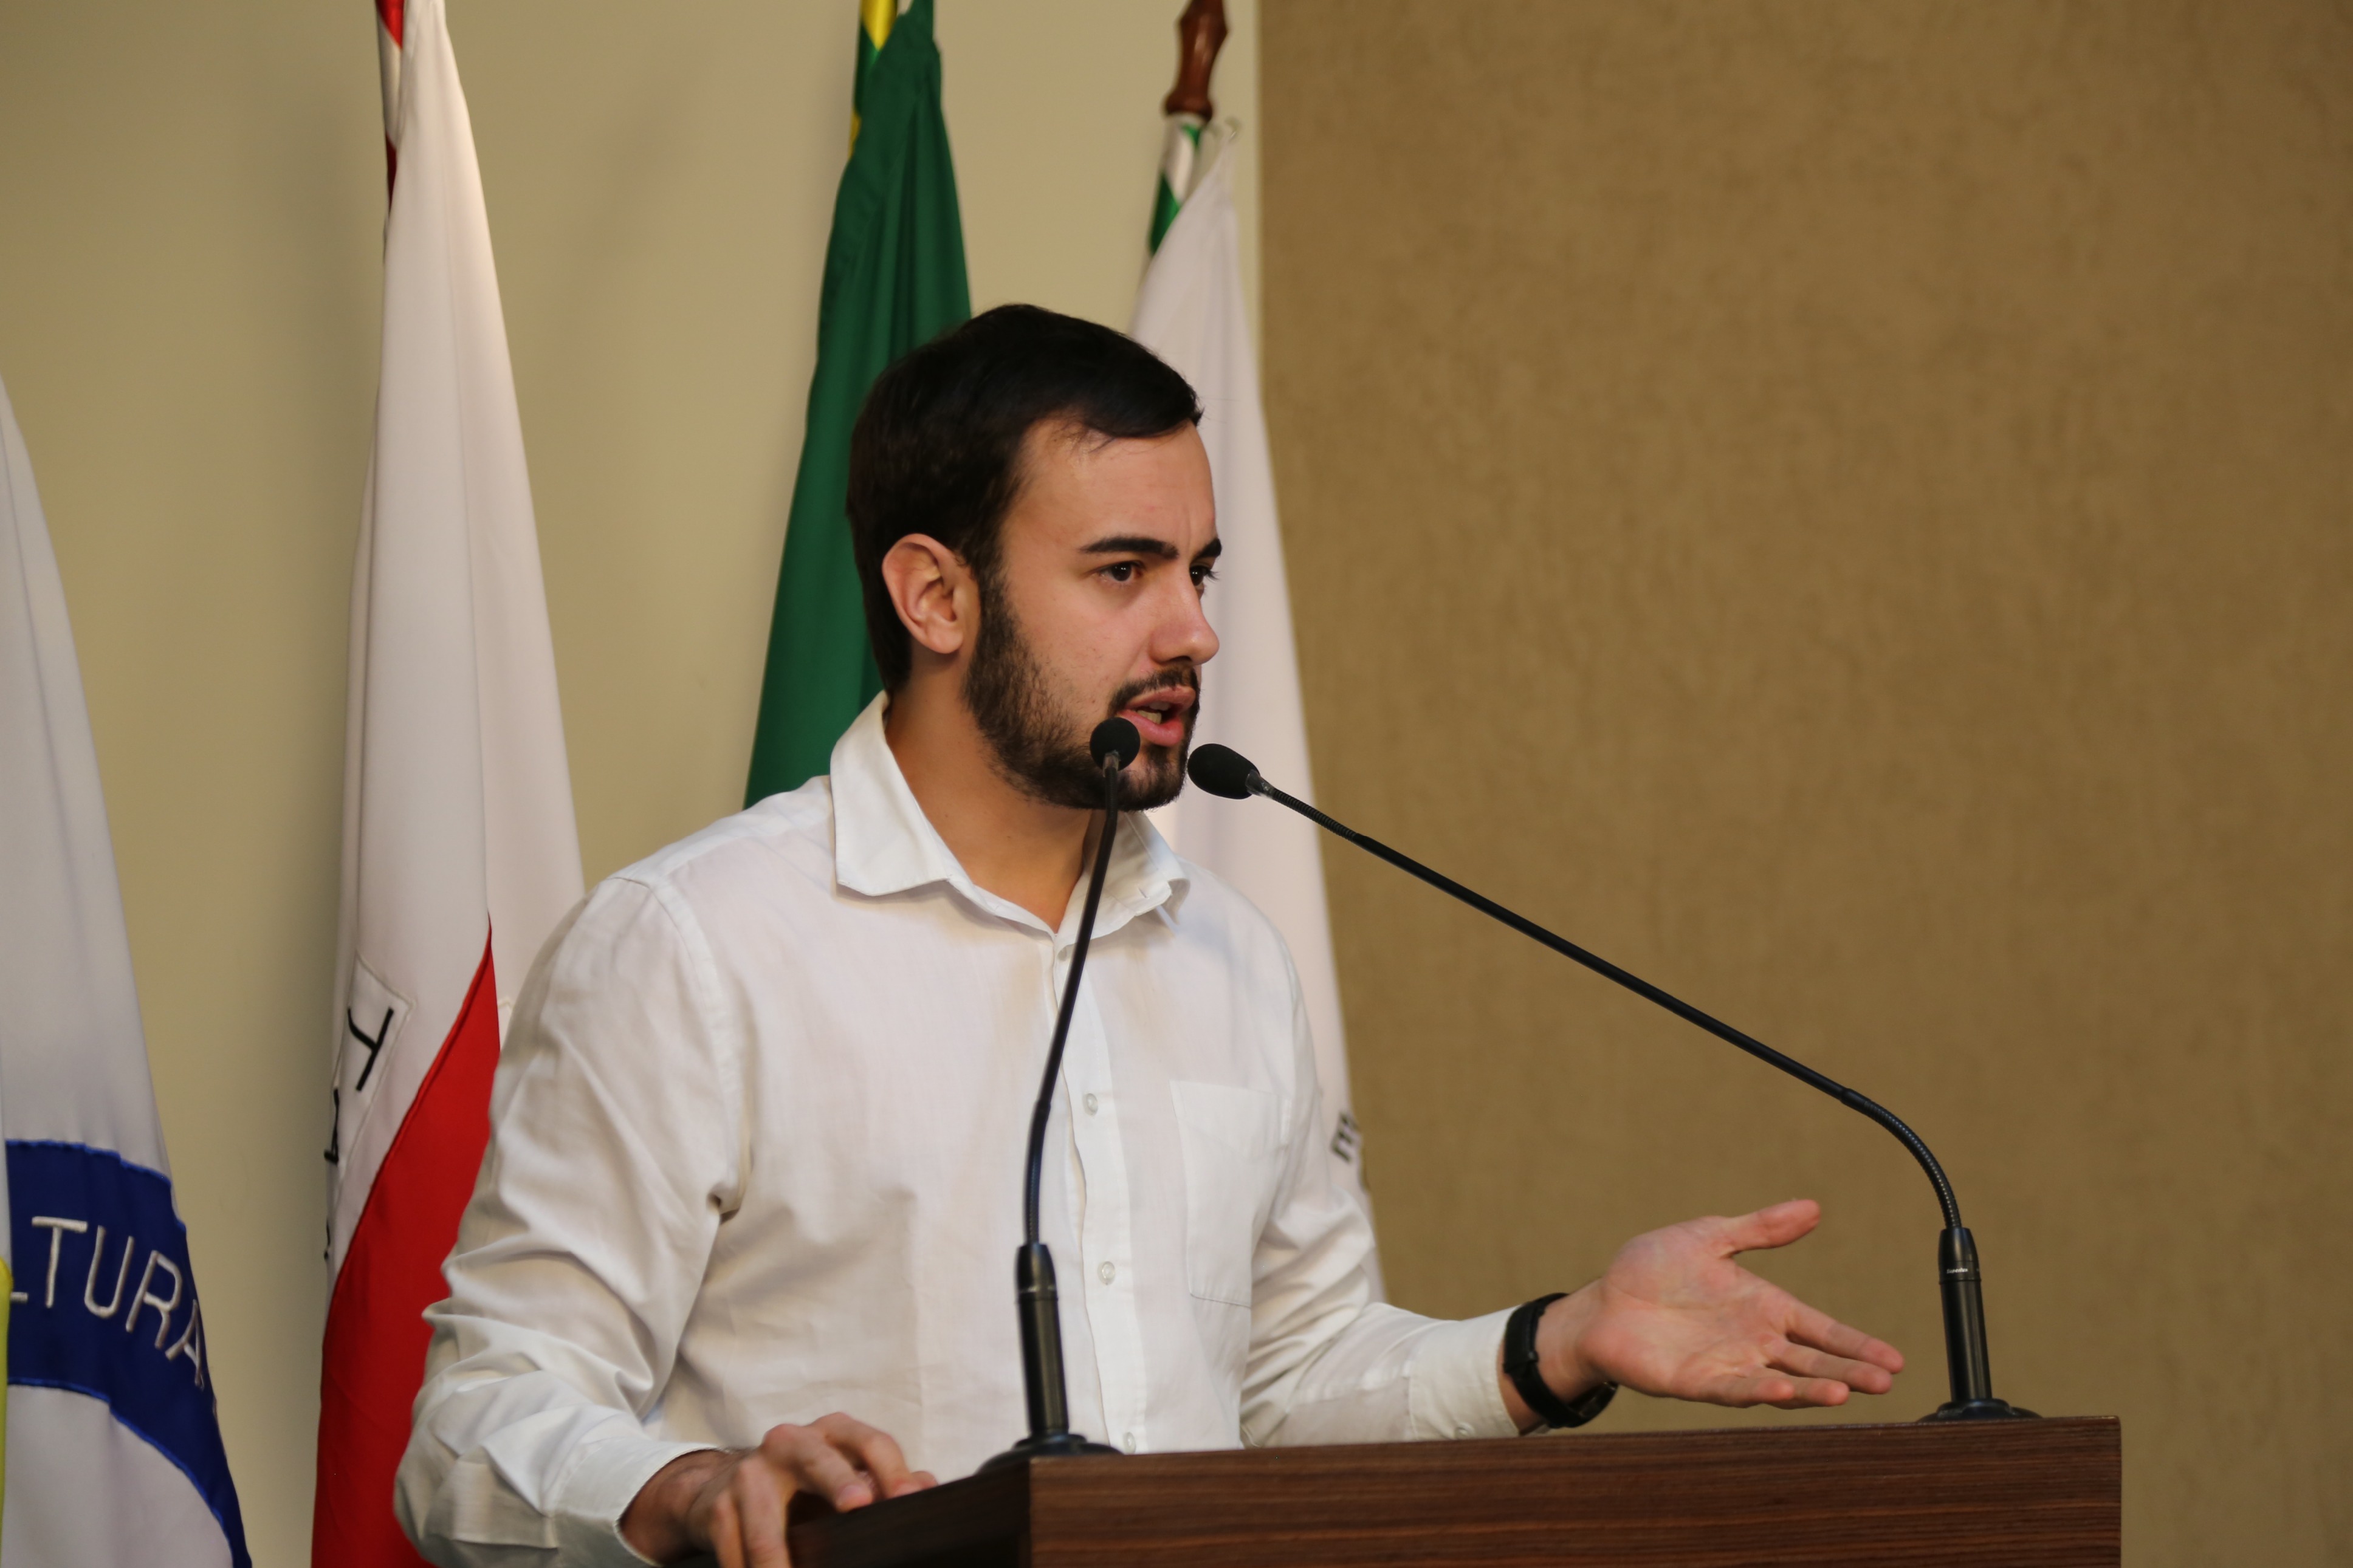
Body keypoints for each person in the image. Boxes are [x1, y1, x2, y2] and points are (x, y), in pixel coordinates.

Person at [396, 306, 1904, 1568]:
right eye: (1123, 573)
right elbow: (477, 1420)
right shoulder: (692, 945)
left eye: (1199, 571)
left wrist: (1554, 1343)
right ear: (935, 593)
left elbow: (1289, 1386)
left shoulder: (1228, 956)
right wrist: (691, 1489)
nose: (1192, 631)